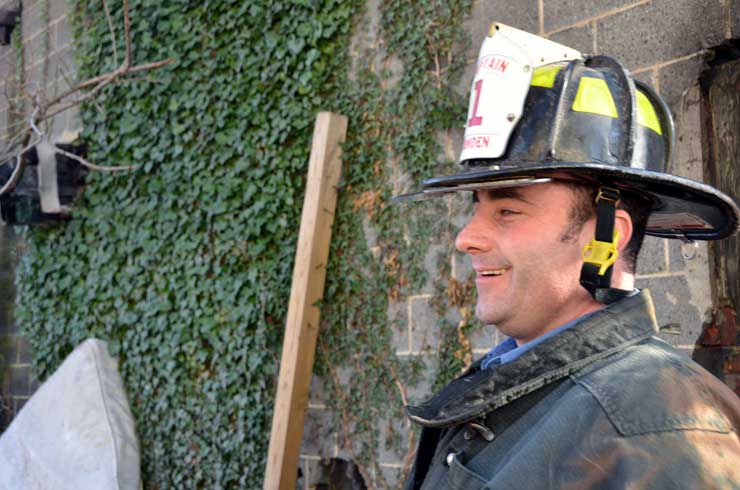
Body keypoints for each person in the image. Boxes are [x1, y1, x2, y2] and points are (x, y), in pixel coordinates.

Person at [396, 23, 740, 489]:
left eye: (508, 211)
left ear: (607, 237)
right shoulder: (526, 385)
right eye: (476, 208)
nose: (466, 238)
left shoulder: (660, 436)